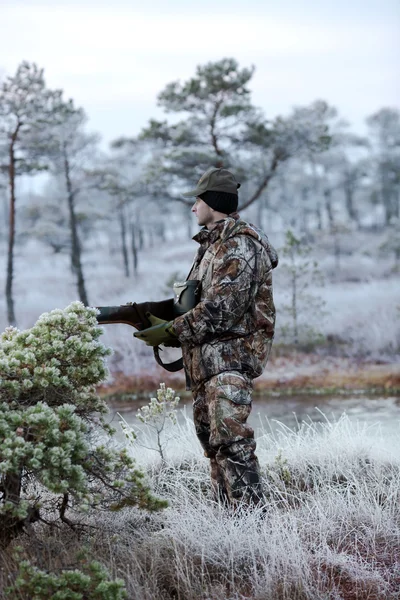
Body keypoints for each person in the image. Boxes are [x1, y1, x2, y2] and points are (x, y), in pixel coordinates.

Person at [134, 167, 278, 508]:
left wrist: (172, 330)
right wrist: (166, 320)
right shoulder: (212, 247)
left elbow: (221, 310)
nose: (193, 207)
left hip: (231, 362)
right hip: (206, 365)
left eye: (197, 200)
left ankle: (253, 527)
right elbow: (198, 302)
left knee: (232, 443)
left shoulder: (239, 247)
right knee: (214, 446)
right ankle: (227, 523)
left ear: (212, 202)